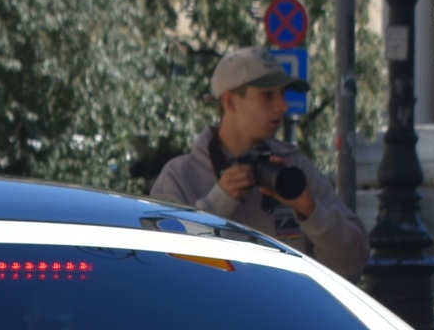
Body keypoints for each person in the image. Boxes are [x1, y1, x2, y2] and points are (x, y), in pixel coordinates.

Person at [151, 48, 371, 279]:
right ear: (230, 102)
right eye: (268, 95)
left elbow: (354, 262)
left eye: (283, 94)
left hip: (284, 314)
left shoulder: (294, 169)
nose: (283, 106)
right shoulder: (179, 176)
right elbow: (164, 270)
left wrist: (311, 211)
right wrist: (217, 203)